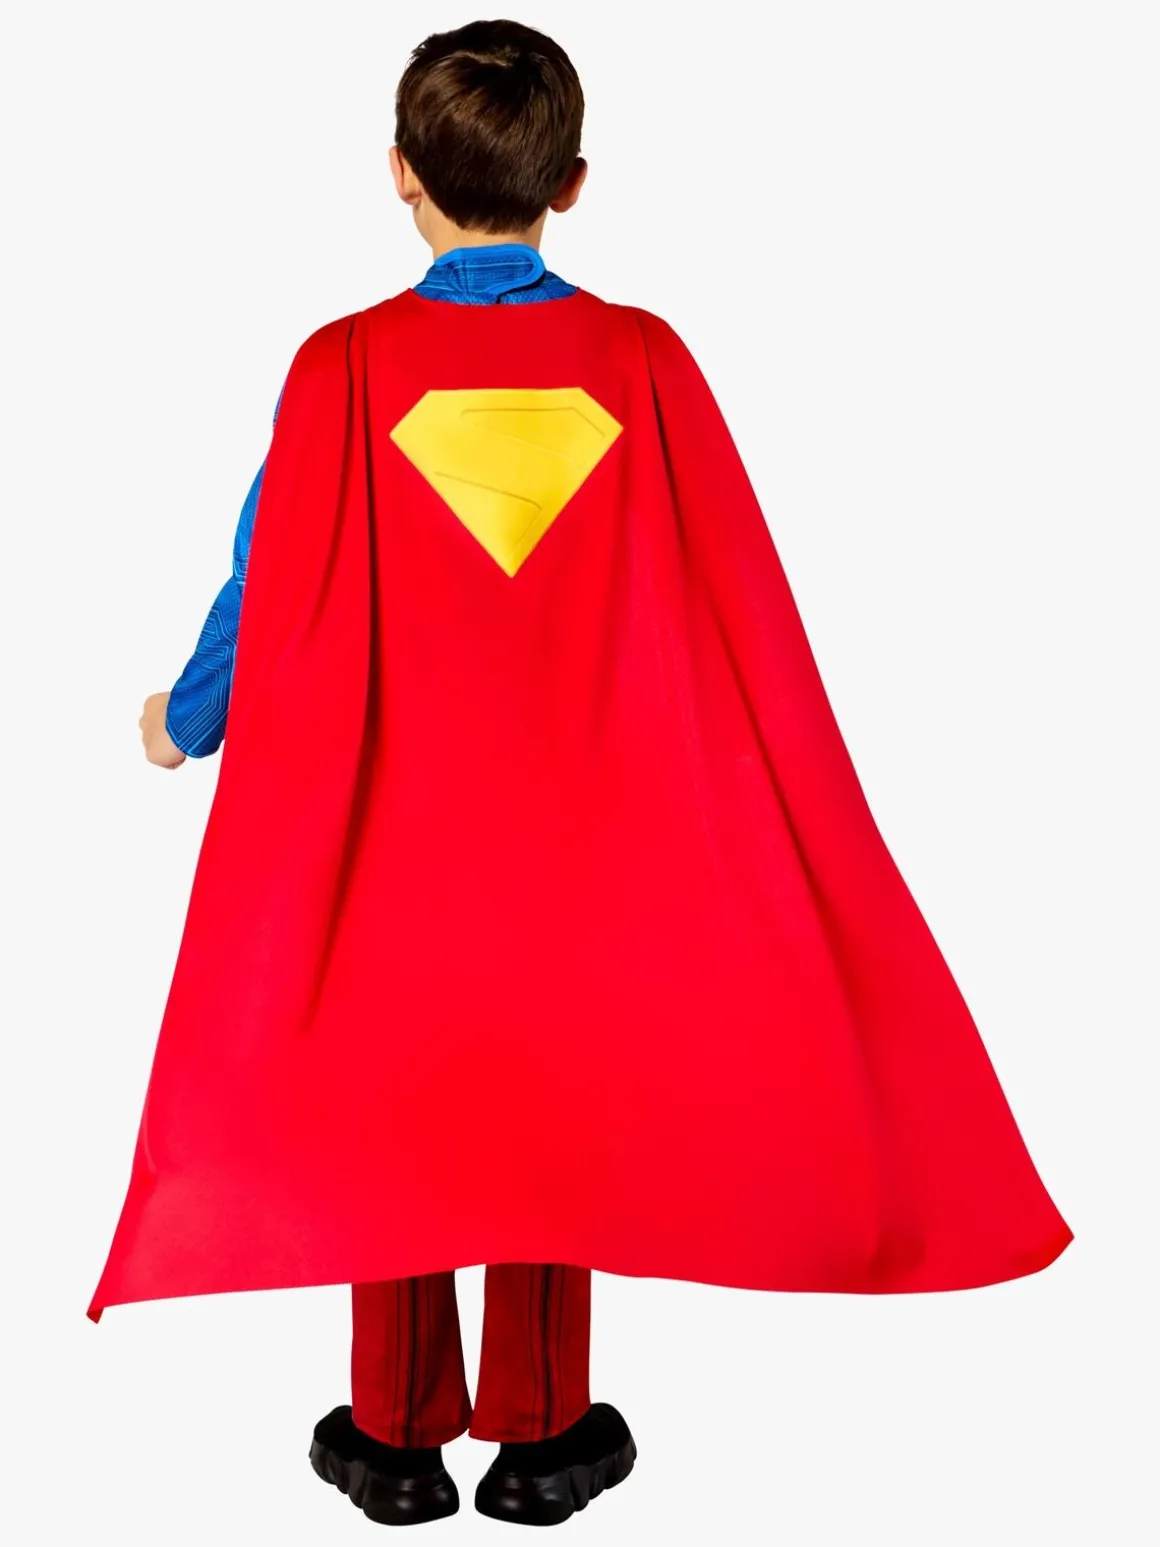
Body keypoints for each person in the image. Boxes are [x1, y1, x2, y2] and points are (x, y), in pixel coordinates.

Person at [100, 17, 1072, 1531]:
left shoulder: (343, 367)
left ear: (399, 174)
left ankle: (395, 1435)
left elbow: (268, 578)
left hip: (394, 837)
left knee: (396, 1114)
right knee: (552, 1108)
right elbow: (728, 591)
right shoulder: (641, 360)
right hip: (590, 834)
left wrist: (187, 716)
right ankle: (545, 1434)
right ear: (572, 183)